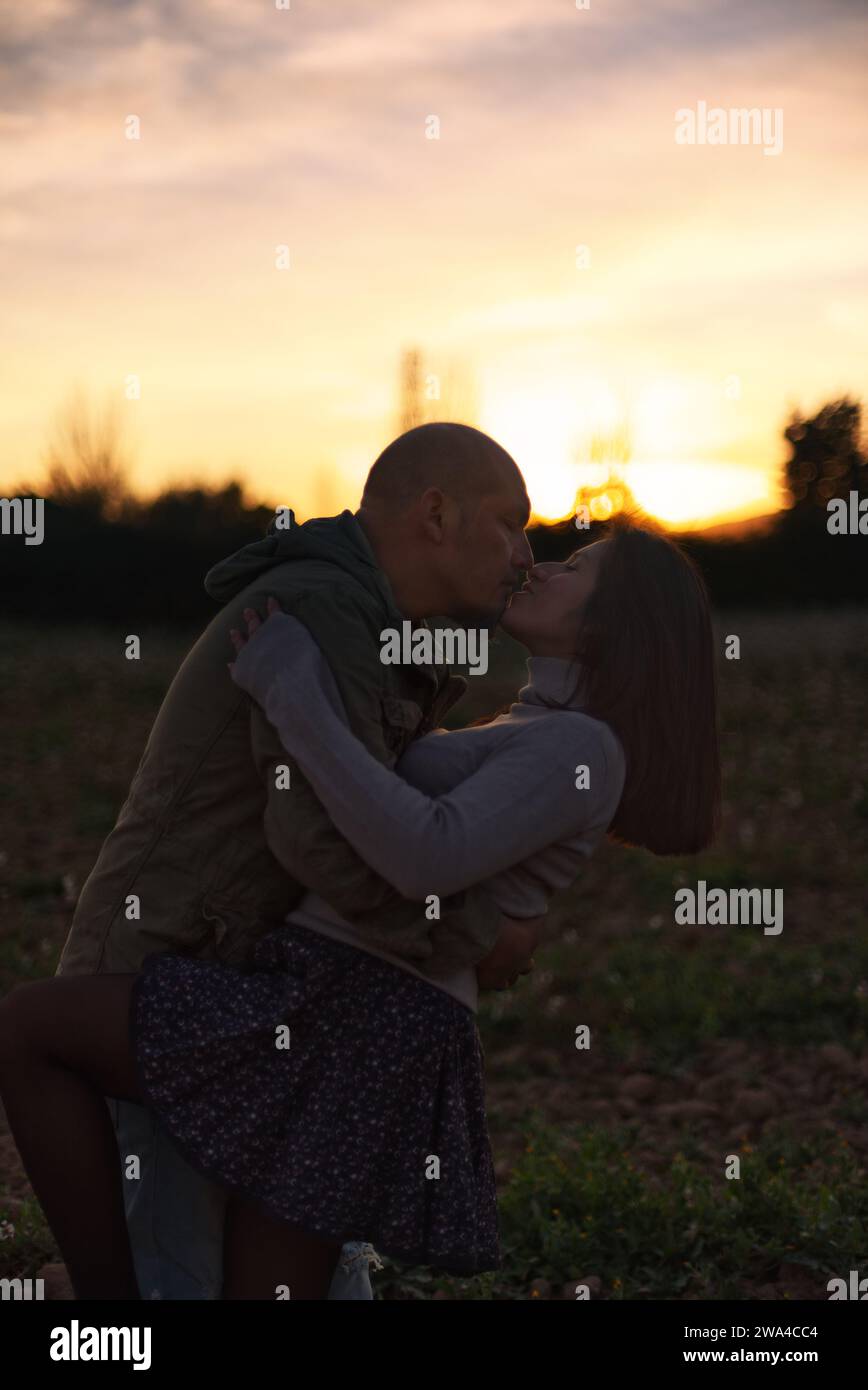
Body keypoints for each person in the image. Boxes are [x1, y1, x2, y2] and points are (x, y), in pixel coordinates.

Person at [0, 512, 721, 1299]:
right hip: (338, 1003)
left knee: (33, 1031)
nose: (542, 567)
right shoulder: (542, 724)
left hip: (363, 1019)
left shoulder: (584, 749)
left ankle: (109, 1310)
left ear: (619, 623)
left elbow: (425, 854)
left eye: (577, 567)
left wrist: (294, 692)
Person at [47, 421, 537, 1299]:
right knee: (173, 1284)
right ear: (436, 513)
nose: (526, 555)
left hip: (246, 995)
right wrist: (474, 937)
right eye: (511, 524)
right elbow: (321, 840)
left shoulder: (380, 625)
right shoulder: (326, 611)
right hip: (173, 975)